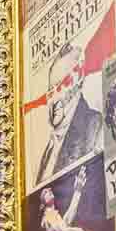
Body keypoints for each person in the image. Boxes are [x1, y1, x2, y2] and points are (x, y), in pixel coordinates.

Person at [34, 45, 102, 186]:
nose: (54, 99)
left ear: (79, 78)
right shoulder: (50, 145)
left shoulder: (93, 125)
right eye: (50, 91)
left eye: (60, 86)